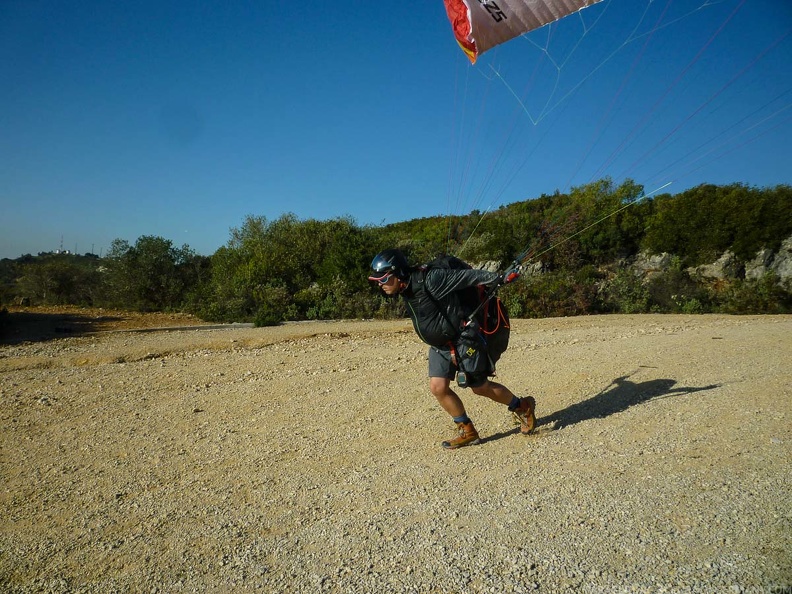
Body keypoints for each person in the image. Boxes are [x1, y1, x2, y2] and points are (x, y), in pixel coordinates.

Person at [368, 248, 536, 449]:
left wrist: (497, 278)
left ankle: (522, 407)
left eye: (384, 279)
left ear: (399, 273)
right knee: (438, 388)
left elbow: (468, 276)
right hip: (440, 346)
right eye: (378, 280)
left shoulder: (430, 279)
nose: (381, 284)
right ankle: (468, 431)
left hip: (463, 341)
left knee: (480, 388)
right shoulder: (405, 288)